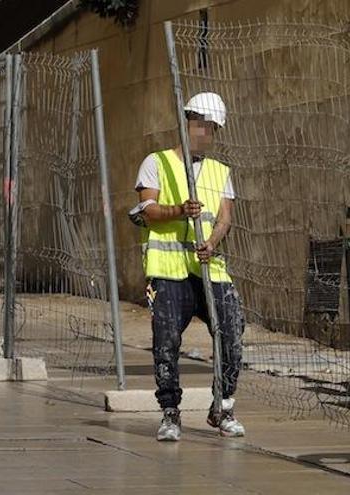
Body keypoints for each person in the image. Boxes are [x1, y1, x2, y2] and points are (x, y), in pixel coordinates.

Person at [130, 92, 245, 441]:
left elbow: (224, 218)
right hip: (168, 270)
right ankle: (170, 412)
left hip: (208, 267)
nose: (205, 134)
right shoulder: (157, 163)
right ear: (186, 123)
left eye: (212, 129)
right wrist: (178, 211)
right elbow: (146, 209)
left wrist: (212, 241)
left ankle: (222, 407)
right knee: (166, 341)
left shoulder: (220, 171)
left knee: (231, 331)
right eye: (201, 126)